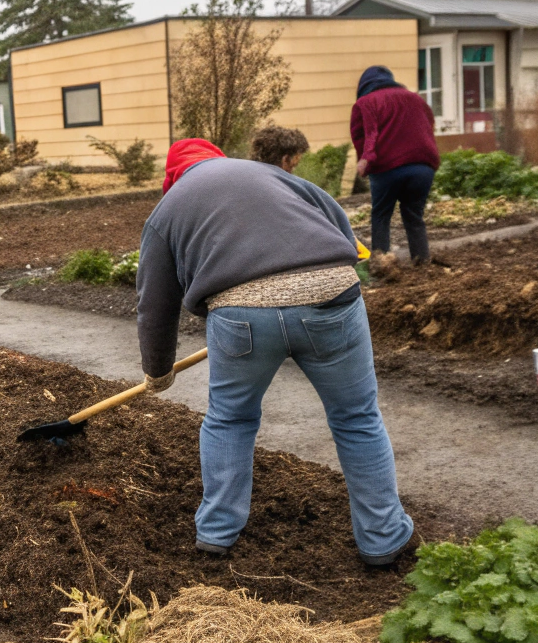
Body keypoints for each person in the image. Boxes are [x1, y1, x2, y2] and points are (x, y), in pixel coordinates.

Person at [136, 138, 417, 566]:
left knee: (229, 418)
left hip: (242, 317)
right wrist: (322, 280)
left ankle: (215, 533)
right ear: (220, 159)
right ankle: (384, 540)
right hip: (331, 297)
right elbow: (340, 226)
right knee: (356, 417)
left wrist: (158, 372)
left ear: (170, 179)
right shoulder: (269, 173)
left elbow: (154, 305)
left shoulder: (168, 209)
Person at [350, 65, 440, 264]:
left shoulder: (366, 102)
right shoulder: (415, 98)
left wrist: (365, 159)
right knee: (414, 215)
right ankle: (422, 260)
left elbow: (367, 134)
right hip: (422, 168)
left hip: (387, 169)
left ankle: (382, 263)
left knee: (381, 214)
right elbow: (430, 124)